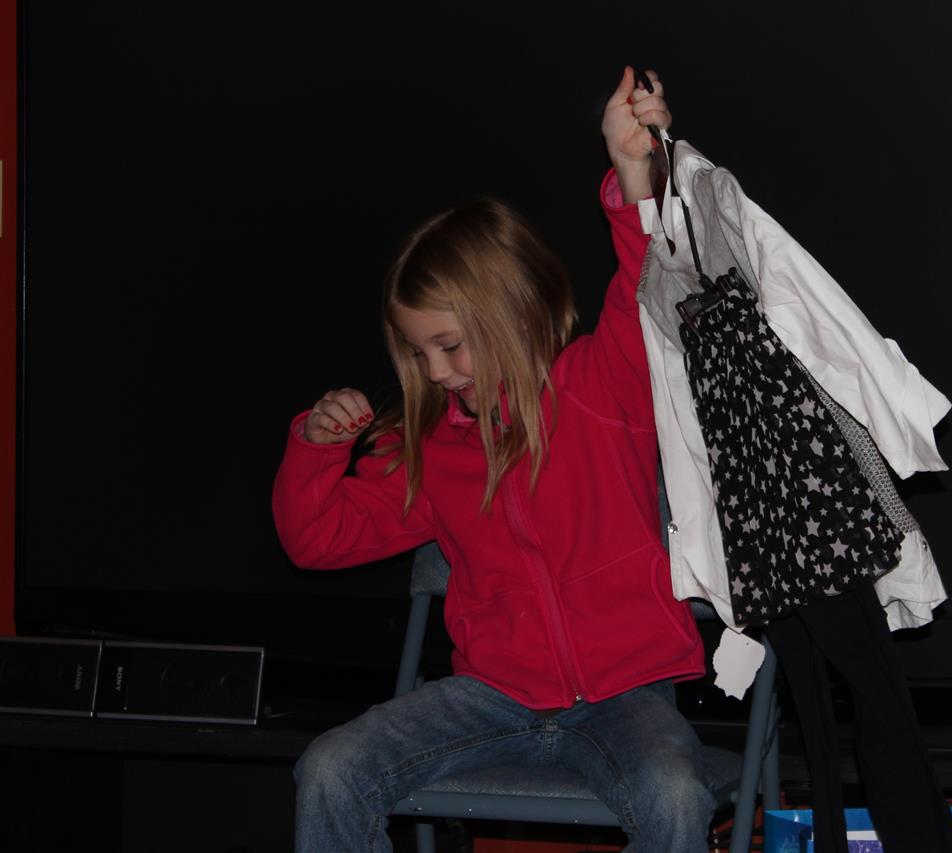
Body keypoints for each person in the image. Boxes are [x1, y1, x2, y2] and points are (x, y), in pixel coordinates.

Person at [272, 69, 715, 853]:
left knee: (675, 791)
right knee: (332, 767)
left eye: (449, 344)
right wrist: (317, 447)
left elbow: (649, 279)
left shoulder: (598, 386)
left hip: (625, 697)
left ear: (508, 311)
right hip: (490, 698)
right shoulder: (430, 447)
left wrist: (633, 169)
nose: (436, 371)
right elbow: (318, 540)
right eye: (419, 352)